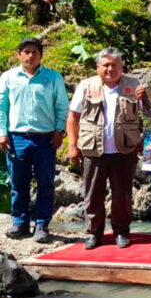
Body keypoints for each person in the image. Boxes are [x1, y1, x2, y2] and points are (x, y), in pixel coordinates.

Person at [67, 48, 143, 250]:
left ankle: (121, 232)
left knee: (122, 195)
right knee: (92, 195)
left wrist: (143, 141)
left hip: (124, 150)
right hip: (93, 151)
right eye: (106, 65)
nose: (110, 69)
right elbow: (73, 117)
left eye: (115, 65)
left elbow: (149, 115)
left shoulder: (134, 85)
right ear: (98, 67)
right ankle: (94, 233)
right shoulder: (85, 86)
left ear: (122, 67)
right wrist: (72, 146)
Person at [0, 38, 68, 242]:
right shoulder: (8, 77)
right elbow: (2, 108)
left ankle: (42, 224)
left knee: (45, 183)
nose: (30, 56)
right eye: (26, 52)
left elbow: (62, 107)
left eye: (34, 52)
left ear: (41, 55)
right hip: (16, 138)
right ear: (19, 54)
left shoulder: (53, 77)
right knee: (18, 182)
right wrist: (2, 132)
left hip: (45, 139)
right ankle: (19, 222)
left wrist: (59, 131)